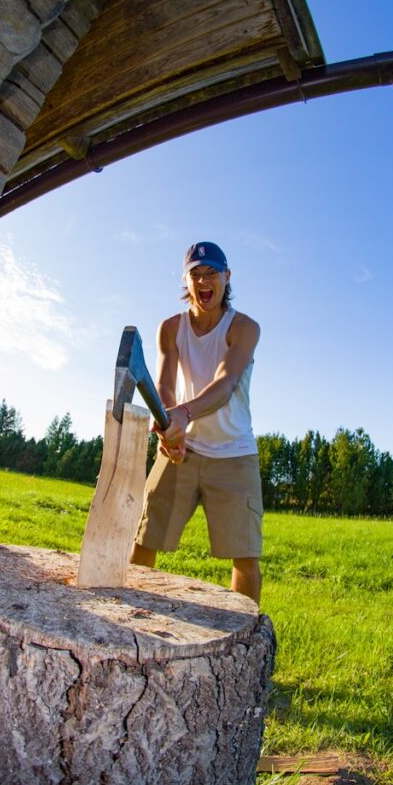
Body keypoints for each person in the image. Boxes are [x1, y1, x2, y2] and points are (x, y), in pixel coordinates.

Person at [130, 241, 263, 604]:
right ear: (186, 280)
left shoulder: (245, 328)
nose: (204, 281)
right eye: (196, 274)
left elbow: (227, 380)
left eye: (211, 273)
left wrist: (183, 415)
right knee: (144, 539)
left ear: (226, 277)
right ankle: (130, 623)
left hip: (234, 452)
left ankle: (246, 638)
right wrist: (169, 428)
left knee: (246, 556)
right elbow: (164, 386)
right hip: (182, 451)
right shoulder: (170, 328)